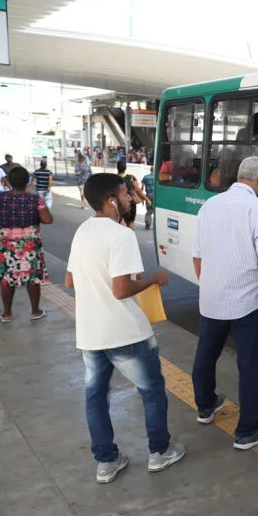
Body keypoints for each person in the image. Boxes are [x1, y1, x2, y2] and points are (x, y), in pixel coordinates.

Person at [65, 173, 185, 483]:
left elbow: (69, 281)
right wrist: (153, 278)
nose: (131, 198)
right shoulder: (121, 235)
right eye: (126, 193)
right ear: (110, 200)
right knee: (152, 390)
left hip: (91, 333)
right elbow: (121, 290)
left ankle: (107, 461)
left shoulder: (83, 231)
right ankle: (160, 452)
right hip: (126, 332)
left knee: (96, 396)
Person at [191, 157, 258, 450]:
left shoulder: (209, 206)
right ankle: (246, 430)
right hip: (247, 304)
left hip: (212, 300)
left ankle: (205, 406)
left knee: (206, 354)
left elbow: (197, 257)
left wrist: (210, 286)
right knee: (251, 367)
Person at [0, 166, 52, 322]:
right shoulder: (35, 199)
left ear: (9, 181)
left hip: (5, 244)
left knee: (7, 278)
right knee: (32, 277)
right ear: (27, 181)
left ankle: (6, 314)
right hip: (30, 245)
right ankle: (35, 311)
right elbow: (48, 220)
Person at [117, 160, 150, 230]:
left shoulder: (114, 179)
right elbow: (138, 190)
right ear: (125, 168)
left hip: (119, 205)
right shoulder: (131, 178)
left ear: (117, 168)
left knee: (121, 223)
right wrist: (147, 199)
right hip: (130, 205)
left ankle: (122, 238)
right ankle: (130, 239)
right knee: (130, 223)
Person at [141, 166, 155, 230]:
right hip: (156, 195)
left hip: (148, 195)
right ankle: (156, 225)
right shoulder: (157, 177)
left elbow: (142, 188)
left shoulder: (145, 177)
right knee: (156, 211)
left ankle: (147, 223)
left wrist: (141, 197)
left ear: (150, 170)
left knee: (149, 210)